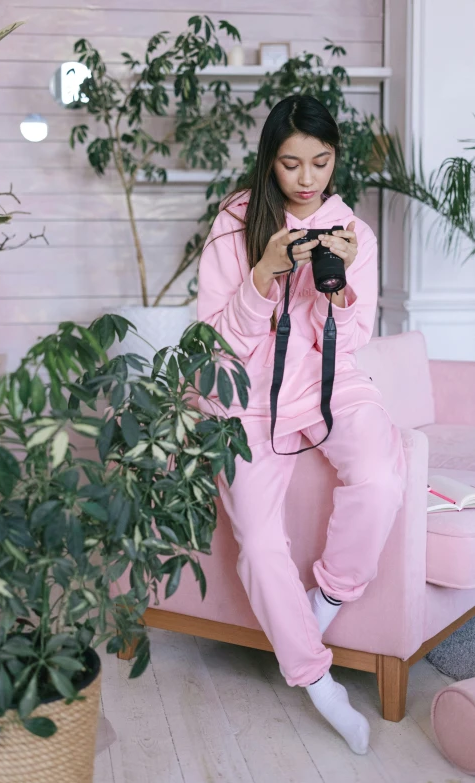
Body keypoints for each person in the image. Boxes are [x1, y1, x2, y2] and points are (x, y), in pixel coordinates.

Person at [196, 95, 407, 755]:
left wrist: (337, 285)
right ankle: (318, 682)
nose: (307, 177)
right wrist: (263, 275)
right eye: (291, 163)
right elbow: (217, 341)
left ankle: (323, 605)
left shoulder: (355, 234)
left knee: (379, 475)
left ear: (335, 158)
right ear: (270, 162)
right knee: (257, 543)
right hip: (247, 393)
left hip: (329, 382)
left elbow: (353, 338)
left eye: (321, 161)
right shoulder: (235, 223)